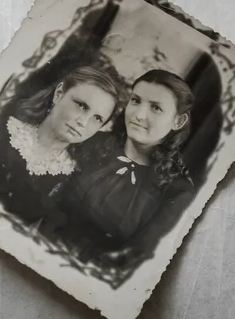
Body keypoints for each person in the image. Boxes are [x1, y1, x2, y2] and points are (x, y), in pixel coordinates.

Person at [54, 69, 196, 268]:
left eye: (155, 108)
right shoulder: (89, 143)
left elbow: (137, 260)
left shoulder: (177, 192)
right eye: (136, 101)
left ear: (178, 121)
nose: (138, 115)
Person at [0, 66, 122, 226]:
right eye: (81, 106)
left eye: (97, 118)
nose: (83, 122)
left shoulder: (71, 183)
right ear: (59, 94)